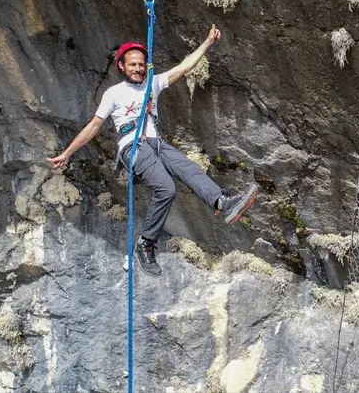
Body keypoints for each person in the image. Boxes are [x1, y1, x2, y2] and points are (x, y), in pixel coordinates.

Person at [47, 24, 257, 276]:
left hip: (157, 143)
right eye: (132, 64)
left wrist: (207, 43)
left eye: (140, 64)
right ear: (122, 66)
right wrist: (67, 153)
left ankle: (222, 202)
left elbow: (184, 67)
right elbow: (94, 126)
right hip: (132, 145)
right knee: (166, 188)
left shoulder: (153, 83)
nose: (137, 69)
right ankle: (146, 243)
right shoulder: (114, 93)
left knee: (188, 167)